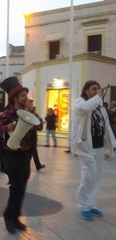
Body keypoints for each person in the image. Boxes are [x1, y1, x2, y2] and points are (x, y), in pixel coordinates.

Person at [0, 76, 35, 234]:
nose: (26, 98)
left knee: (22, 188)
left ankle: (15, 216)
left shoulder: (26, 111)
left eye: (25, 95)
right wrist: (8, 127)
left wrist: (35, 117)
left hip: (25, 154)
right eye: (23, 95)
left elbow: (39, 125)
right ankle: (8, 216)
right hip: (11, 155)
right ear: (15, 98)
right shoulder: (6, 113)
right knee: (18, 186)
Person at [71, 80, 116, 221]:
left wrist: (111, 142)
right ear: (86, 90)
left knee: (97, 177)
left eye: (97, 88)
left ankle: (91, 204)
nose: (96, 90)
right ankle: (83, 206)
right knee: (88, 176)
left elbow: (106, 125)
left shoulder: (99, 106)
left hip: (98, 146)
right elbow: (86, 108)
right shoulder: (80, 103)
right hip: (85, 147)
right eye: (93, 88)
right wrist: (99, 97)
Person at [26, 99, 45, 171]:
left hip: (33, 133)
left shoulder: (34, 113)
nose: (31, 105)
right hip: (27, 133)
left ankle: (36, 165)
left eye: (31, 103)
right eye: (29, 103)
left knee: (33, 149)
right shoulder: (25, 112)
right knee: (32, 150)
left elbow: (39, 122)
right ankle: (36, 165)